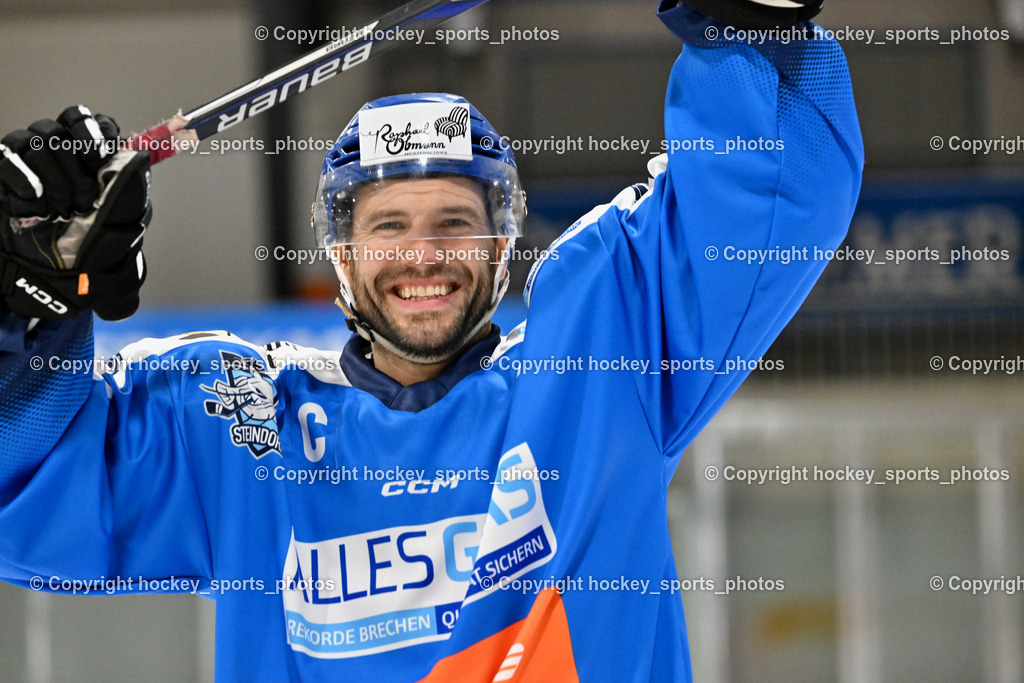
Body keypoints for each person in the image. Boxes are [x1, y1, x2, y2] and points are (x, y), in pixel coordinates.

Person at [0, 0, 862, 680]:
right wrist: (16, 290)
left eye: (455, 220)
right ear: (340, 253)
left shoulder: (600, 363)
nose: (422, 254)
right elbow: (26, 491)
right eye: (389, 226)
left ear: (500, 243)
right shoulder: (237, 425)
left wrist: (751, 25)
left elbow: (765, 203)